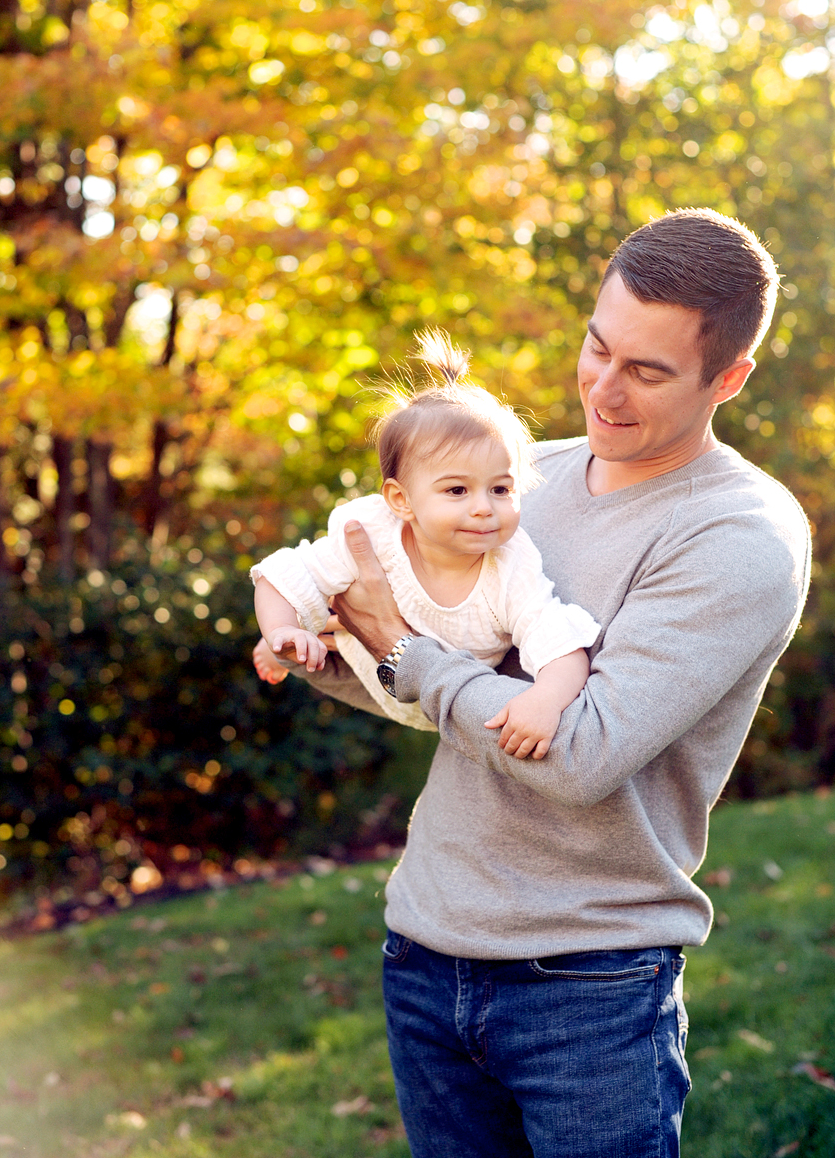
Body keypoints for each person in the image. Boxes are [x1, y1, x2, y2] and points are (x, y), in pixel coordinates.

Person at [280, 207, 811, 1158]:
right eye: (597, 347)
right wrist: (326, 647)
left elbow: (577, 755)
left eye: (647, 371)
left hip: (589, 987)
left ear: (729, 379)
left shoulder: (739, 537)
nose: (603, 390)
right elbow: (440, 688)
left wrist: (399, 644)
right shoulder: (520, 481)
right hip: (427, 949)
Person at [251, 331, 600, 757]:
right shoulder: (372, 531)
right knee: (305, 631)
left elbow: (561, 645)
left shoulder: (509, 567)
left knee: (324, 626)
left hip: (446, 704)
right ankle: (280, 648)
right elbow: (284, 575)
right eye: (457, 491)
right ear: (402, 500)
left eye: (501, 489)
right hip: (361, 659)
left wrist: (545, 700)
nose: (484, 508)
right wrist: (282, 628)